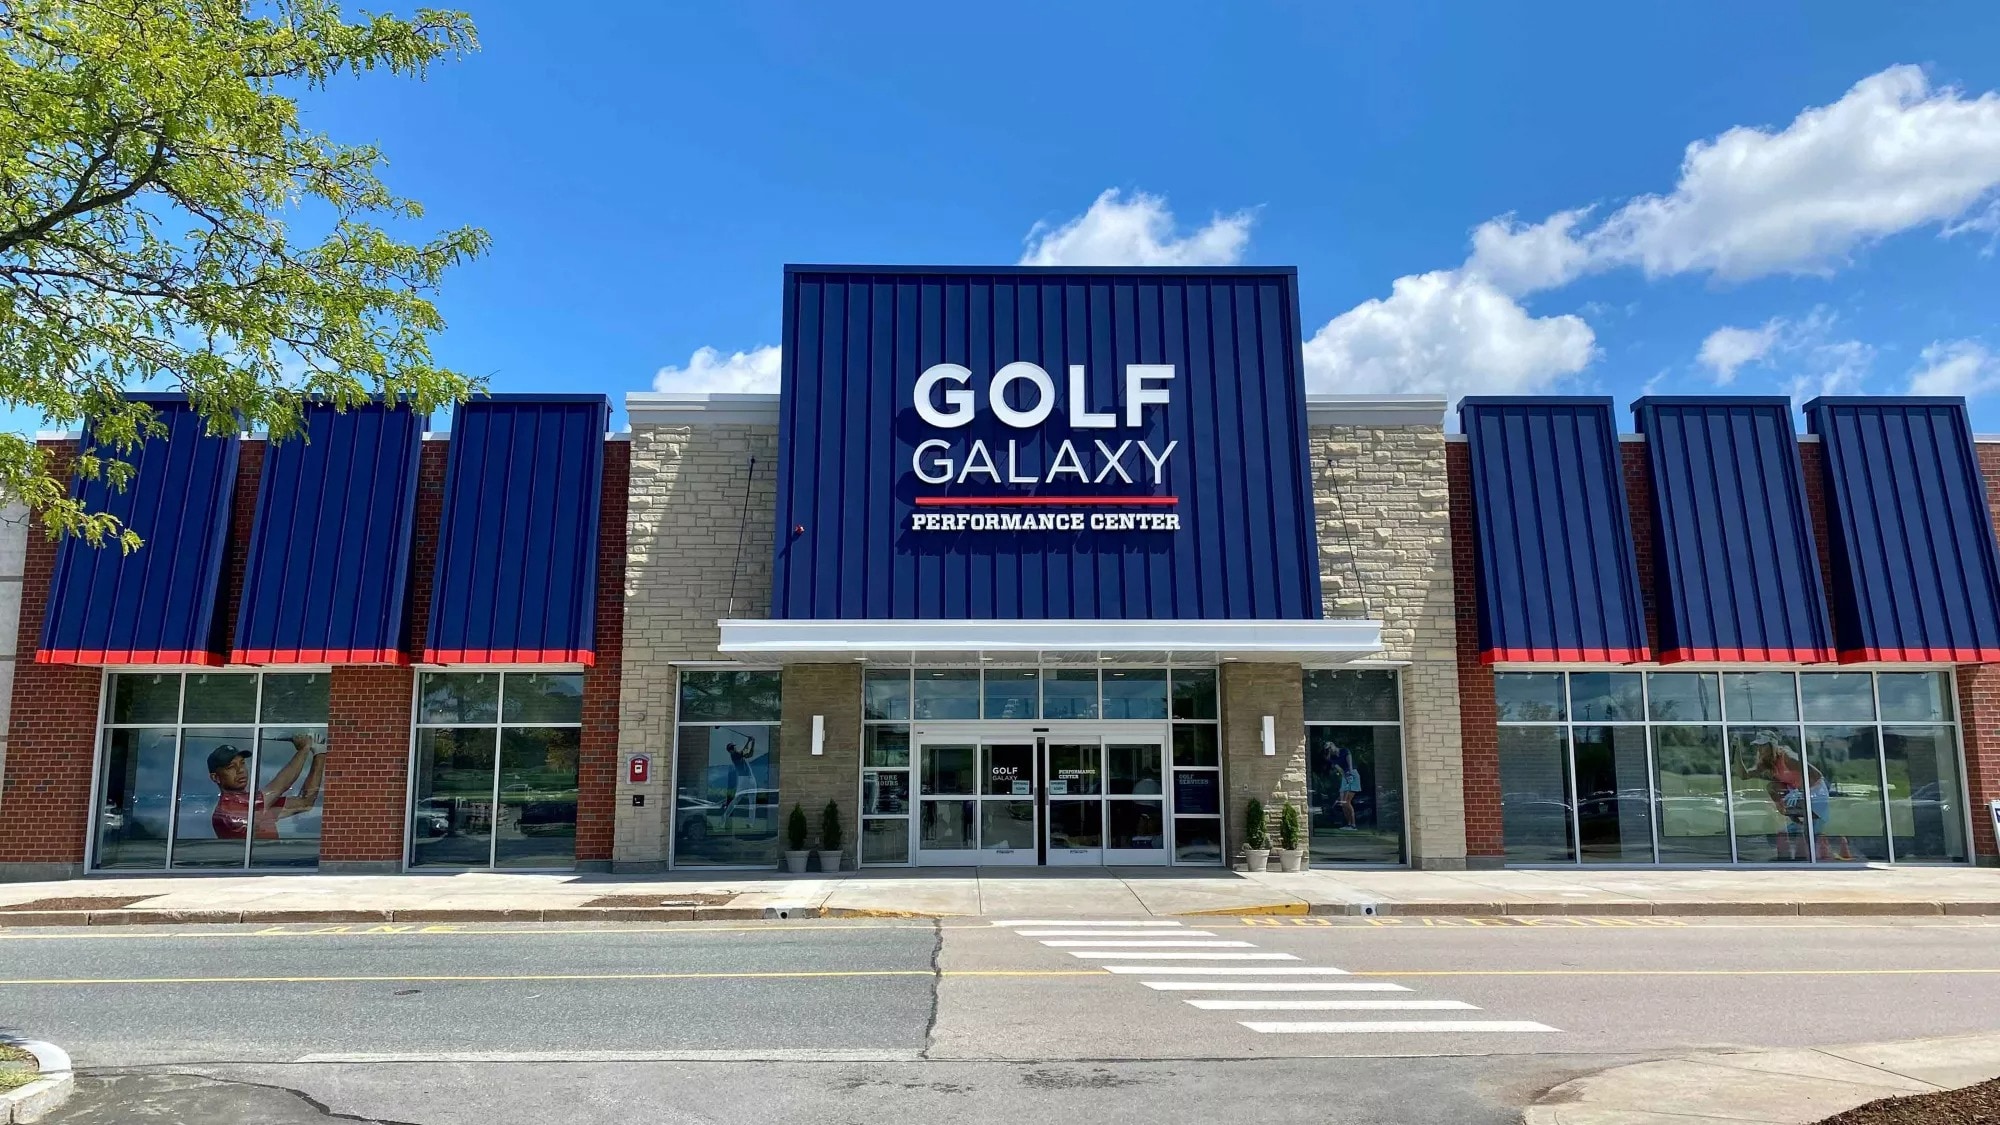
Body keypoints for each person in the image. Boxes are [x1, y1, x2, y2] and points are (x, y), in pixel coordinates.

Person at [209, 733, 324, 840]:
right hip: (253, 862)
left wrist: (319, 754)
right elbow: (279, 786)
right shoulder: (229, 807)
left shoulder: (257, 805)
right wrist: (304, 748)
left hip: (270, 860)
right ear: (215, 777)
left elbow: (305, 802)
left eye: (242, 763)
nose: (240, 770)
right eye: (231, 767)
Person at [1335, 746, 1362, 830]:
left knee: (1347, 802)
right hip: (1345, 776)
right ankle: (1349, 824)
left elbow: (1349, 765)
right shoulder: (1332, 758)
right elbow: (1340, 770)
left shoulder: (1345, 751)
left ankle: (1353, 825)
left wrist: (1350, 774)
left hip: (1352, 774)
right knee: (1343, 803)